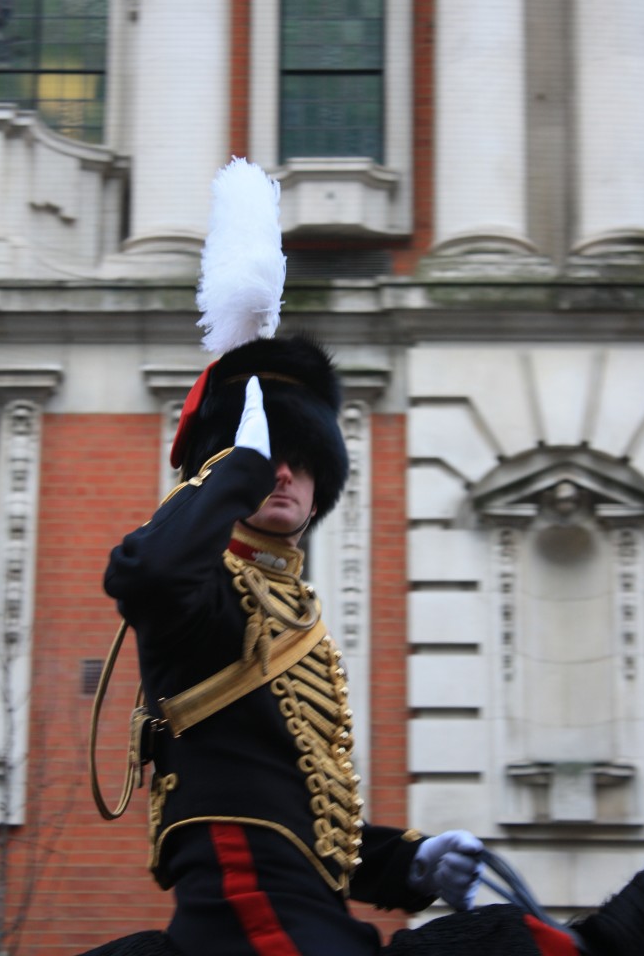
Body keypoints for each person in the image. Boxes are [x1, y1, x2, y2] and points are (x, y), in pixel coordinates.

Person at [81, 334, 484, 956]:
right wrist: (233, 467)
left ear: (320, 487)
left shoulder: (300, 617)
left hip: (308, 907)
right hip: (237, 902)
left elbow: (300, 817)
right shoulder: (203, 588)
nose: (284, 472)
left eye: (302, 459)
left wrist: (409, 863)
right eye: (272, 455)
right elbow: (148, 572)